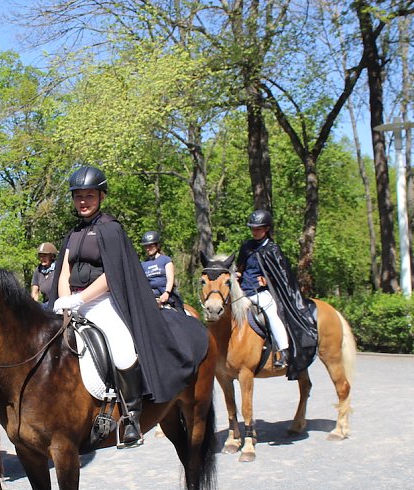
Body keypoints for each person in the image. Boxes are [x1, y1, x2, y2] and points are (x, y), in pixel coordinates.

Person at [50, 166, 205, 449]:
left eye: (89, 195)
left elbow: (113, 274)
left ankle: (131, 417)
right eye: (78, 196)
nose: (83, 201)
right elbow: (64, 270)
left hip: (102, 301)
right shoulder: (73, 234)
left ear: (101, 196)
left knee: (122, 350)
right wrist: (64, 300)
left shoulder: (111, 229)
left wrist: (81, 299)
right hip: (70, 303)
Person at [235, 209, 290, 368]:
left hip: (261, 292)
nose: (254, 232)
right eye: (252, 228)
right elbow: (241, 266)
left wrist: (268, 279)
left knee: (272, 314)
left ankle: (284, 352)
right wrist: (237, 273)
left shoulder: (273, 249)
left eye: (258, 229)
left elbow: (281, 273)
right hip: (243, 290)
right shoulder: (246, 246)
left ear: (266, 229)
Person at [139, 230, 184, 313]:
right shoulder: (143, 264)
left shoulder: (166, 260)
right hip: (151, 295)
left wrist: (166, 293)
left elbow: (170, 279)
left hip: (166, 293)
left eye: (150, 246)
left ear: (157, 245)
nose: (148, 248)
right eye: (146, 246)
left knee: (181, 313)